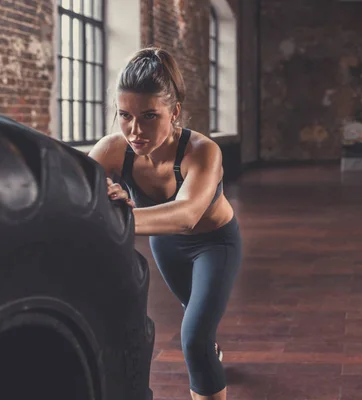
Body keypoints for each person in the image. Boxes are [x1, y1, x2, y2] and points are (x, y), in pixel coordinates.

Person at [88, 47, 242, 400]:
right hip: (165, 246)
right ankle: (208, 346)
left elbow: (187, 215)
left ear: (174, 112)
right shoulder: (113, 148)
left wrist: (119, 217)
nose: (134, 129)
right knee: (195, 314)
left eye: (148, 116)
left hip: (214, 245)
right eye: (124, 115)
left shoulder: (202, 151)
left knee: (195, 339)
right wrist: (105, 191)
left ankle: (206, 352)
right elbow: (76, 187)